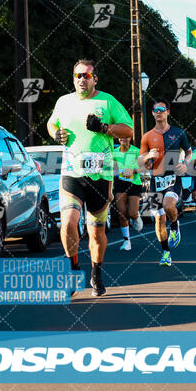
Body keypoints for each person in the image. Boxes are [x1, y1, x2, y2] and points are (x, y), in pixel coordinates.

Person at [47, 59, 133, 297]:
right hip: (72, 173)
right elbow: (51, 123)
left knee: (96, 232)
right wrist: (56, 134)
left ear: (95, 78)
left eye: (86, 75)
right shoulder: (63, 102)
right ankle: (73, 270)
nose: (81, 79)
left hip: (100, 176)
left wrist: (104, 128)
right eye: (77, 76)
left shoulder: (107, 101)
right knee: (68, 223)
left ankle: (96, 273)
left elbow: (128, 130)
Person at [138, 98, 192, 266]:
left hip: (173, 178)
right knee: (159, 220)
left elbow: (189, 152)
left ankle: (175, 226)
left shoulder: (178, 132)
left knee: (169, 206)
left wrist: (185, 164)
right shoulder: (147, 136)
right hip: (155, 180)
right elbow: (140, 163)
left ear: (168, 112)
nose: (158, 112)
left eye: (162, 109)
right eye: (155, 110)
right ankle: (166, 252)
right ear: (153, 113)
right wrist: (148, 156)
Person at [113, 137, 144, 250]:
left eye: (125, 137)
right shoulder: (114, 152)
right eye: (121, 137)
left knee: (131, 212)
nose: (123, 139)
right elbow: (108, 166)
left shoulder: (136, 151)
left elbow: (146, 166)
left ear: (130, 138)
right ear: (118, 138)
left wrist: (134, 171)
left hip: (134, 183)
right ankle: (127, 241)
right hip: (120, 183)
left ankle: (136, 217)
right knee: (121, 212)